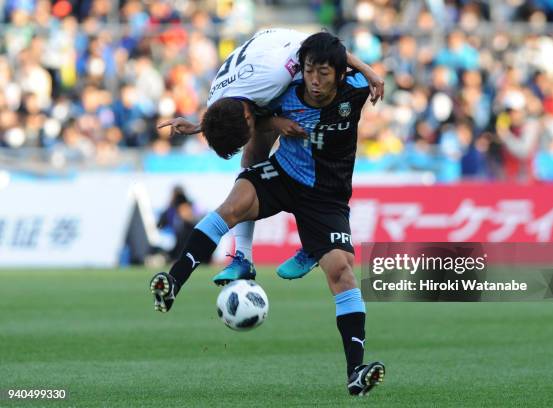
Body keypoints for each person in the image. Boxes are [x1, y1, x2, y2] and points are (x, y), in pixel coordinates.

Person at [150, 32, 385, 396]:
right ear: (301, 69)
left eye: (324, 73)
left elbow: (336, 53)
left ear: (339, 74)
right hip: (284, 173)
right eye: (310, 71)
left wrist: (370, 72)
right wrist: (264, 124)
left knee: (342, 272)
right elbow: (242, 116)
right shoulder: (283, 90)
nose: (315, 80)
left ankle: (355, 372)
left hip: (327, 196)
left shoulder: (354, 90)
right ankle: (173, 282)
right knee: (231, 206)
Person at [157, 28, 384, 286]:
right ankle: (243, 257)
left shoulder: (277, 76)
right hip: (260, 63)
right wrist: (200, 126)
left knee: (261, 149)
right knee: (252, 157)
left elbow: (320, 47)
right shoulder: (218, 102)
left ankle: (306, 243)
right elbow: (221, 115)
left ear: (248, 115)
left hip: (282, 48)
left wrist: (368, 70)